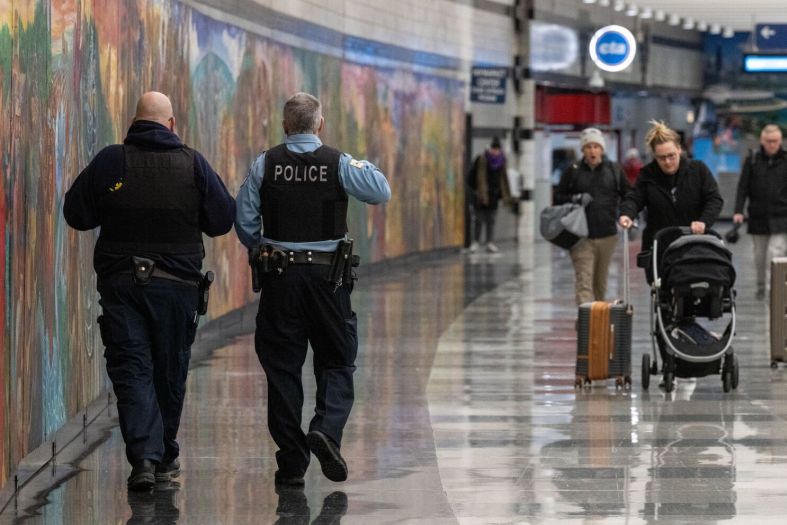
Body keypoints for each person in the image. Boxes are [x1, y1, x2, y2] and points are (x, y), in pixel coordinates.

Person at [63, 91, 236, 490]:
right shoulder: (192, 163)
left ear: (134, 122)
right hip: (177, 290)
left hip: (122, 286)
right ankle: (163, 457)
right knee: (169, 370)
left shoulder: (111, 160)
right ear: (171, 124)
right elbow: (222, 219)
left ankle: (145, 456)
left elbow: (76, 213)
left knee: (132, 369)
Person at [234, 92, 390, 487]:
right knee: (337, 360)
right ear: (319, 125)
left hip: (280, 282)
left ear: (285, 126)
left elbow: (245, 223)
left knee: (282, 370)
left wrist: (264, 248)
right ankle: (326, 430)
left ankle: (291, 464)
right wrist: (352, 161)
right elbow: (380, 190)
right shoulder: (337, 162)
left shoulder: (264, 164)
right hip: (327, 282)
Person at [619, 120, 723, 250]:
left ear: (679, 149)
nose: (667, 162)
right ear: (654, 156)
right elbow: (634, 198)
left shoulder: (698, 170)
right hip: (658, 246)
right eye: (661, 158)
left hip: (693, 244)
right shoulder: (647, 174)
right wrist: (627, 214)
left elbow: (714, 199)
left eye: (671, 156)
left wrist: (704, 221)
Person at [554, 127, 630, 305]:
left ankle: (597, 320)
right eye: (588, 146)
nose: (592, 150)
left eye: (596, 146)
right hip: (580, 235)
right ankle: (585, 323)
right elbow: (558, 196)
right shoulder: (573, 171)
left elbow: (629, 195)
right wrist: (576, 198)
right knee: (584, 281)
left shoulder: (614, 170)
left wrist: (626, 214)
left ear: (602, 149)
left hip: (607, 234)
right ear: (583, 150)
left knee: (600, 284)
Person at [733, 124, 787, 299]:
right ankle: (761, 286)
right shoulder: (753, 159)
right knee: (759, 256)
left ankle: (774, 290)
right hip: (758, 216)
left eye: (775, 141)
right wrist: (738, 211)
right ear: (762, 141)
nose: (772, 145)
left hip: (781, 216)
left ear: (780, 141)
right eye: (769, 141)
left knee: (775, 253)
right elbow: (743, 187)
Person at [467, 137, 512, 253]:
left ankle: (489, 242)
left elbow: (503, 178)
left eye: (497, 149)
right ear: (490, 148)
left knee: (491, 219)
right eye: (494, 149)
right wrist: (476, 190)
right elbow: (471, 177)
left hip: (494, 195)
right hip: (481, 194)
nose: (495, 151)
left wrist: (505, 194)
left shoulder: (502, 161)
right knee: (479, 219)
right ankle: (476, 242)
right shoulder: (481, 159)